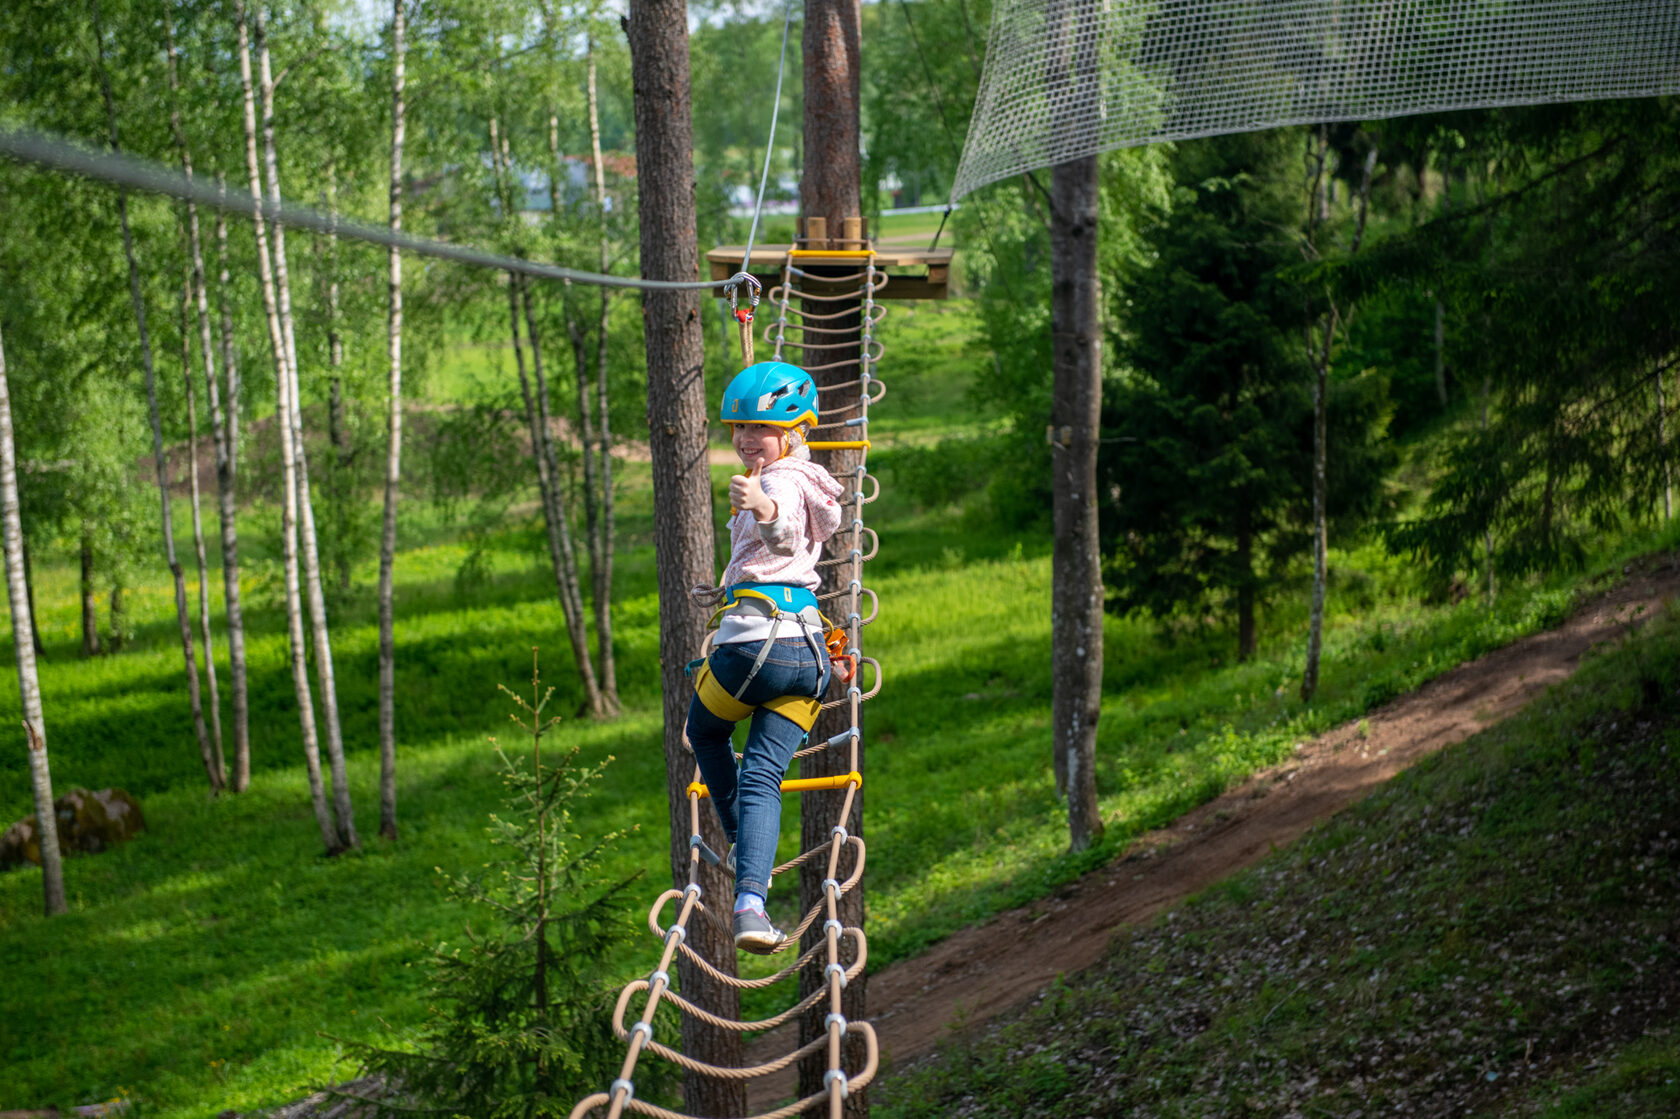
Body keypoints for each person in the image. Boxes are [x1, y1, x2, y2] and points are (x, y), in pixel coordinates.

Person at [685, 360, 845, 954]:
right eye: (739, 430)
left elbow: (782, 533)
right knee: (764, 778)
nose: (747, 440)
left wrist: (762, 505)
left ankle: (738, 846)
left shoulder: (777, 482)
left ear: (796, 431)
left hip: (755, 648)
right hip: (808, 660)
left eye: (761, 429)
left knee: (703, 732)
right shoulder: (812, 477)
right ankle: (751, 904)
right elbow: (794, 549)